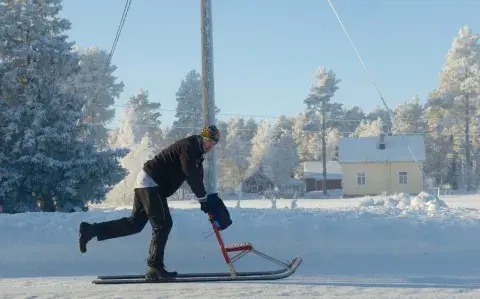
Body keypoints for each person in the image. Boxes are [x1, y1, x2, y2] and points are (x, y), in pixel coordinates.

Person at [78, 125, 223, 280]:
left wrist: (203, 199)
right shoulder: (189, 146)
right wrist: (201, 197)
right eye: (209, 141)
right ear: (202, 137)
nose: (210, 146)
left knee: (134, 224)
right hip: (150, 182)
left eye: (213, 144)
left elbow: (197, 176)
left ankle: (90, 231)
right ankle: (155, 267)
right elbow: (190, 173)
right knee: (163, 224)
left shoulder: (197, 153)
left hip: (148, 182)